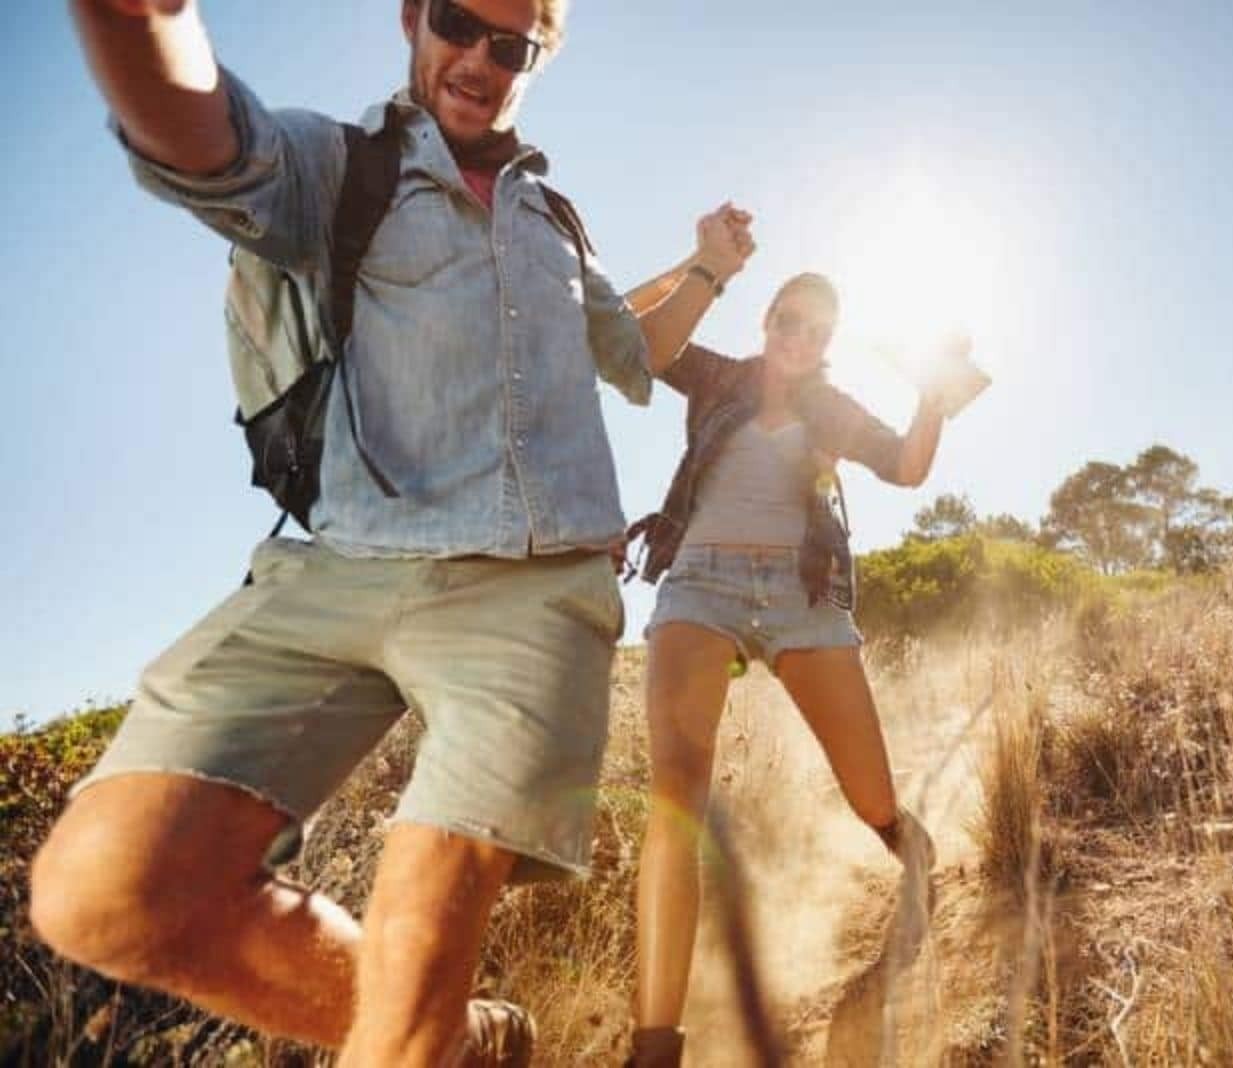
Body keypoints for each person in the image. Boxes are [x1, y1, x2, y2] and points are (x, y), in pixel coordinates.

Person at [29, 2, 752, 1064]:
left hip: (530, 587)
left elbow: (632, 352)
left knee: (416, 940)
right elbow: (201, 134)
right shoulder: (335, 166)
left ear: (536, 62)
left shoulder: (555, 224)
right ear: (414, 15)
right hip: (339, 567)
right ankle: (463, 1041)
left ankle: (423, 1026)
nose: (479, 59)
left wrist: (709, 271)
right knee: (103, 891)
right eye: (460, 21)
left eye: (512, 46)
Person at [623, 271, 965, 1066]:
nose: (800, 338)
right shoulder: (713, 374)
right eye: (789, 320)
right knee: (675, 800)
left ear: (828, 345)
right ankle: (653, 1045)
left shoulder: (832, 409)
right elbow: (623, 327)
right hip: (699, 586)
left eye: (817, 330)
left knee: (870, 795)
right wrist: (698, 266)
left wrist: (933, 396)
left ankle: (904, 843)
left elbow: (909, 467)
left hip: (800, 597)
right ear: (768, 317)